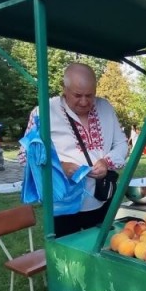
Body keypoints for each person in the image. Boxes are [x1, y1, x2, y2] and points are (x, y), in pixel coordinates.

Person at [20, 63, 128, 237]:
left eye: (90, 95)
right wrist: (60, 167)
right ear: (64, 88)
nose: (84, 102)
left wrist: (106, 162)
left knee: (103, 250)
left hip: (101, 199)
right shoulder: (43, 113)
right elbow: (25, 156)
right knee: (68, 258)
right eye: (77, 95)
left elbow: (122, 144)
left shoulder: (105, 108)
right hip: (63, 206)